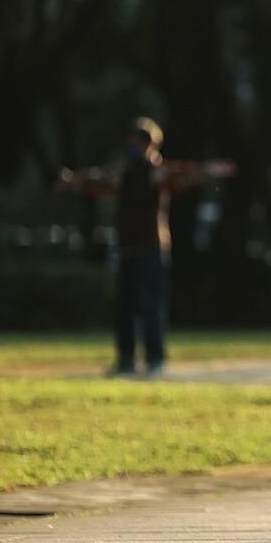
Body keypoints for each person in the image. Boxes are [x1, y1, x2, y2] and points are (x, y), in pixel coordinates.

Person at [56, 118, 234, 376]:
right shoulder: (123, 173)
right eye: (133, 143)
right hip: (127, 247)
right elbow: (97, 179)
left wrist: (213, 169)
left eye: (140, 144)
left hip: (152, 248)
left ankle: (154, 359)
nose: (135, 148)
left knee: (151, 306)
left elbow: (185, 173)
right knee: (125, 308)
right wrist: (73, 180)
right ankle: (126, 358)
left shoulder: (157, 173)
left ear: (151, 146)